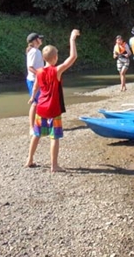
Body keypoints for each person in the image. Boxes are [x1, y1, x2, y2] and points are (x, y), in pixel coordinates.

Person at [26, 29, 80, 171]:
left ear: (43, 58)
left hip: (41, 108)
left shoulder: (39, 72)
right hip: (53, 109)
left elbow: (36, 87)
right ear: (55, 57)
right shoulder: (56, 71)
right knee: (53, 137)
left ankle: (29, 159)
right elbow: (73, 57)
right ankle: (54, 165)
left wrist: (32, 98)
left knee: (37, 134)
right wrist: (72, 39)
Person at [25, 32, 45, 139]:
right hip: (33, 80)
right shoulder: (34, 51)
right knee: (35, 104)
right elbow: (30, 67)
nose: (41, 40)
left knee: (39, 102)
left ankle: (39, 125)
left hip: (36, 80)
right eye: (39, 39)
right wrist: (42, 75)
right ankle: (31, 128)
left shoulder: (36, 51)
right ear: (35, 41)